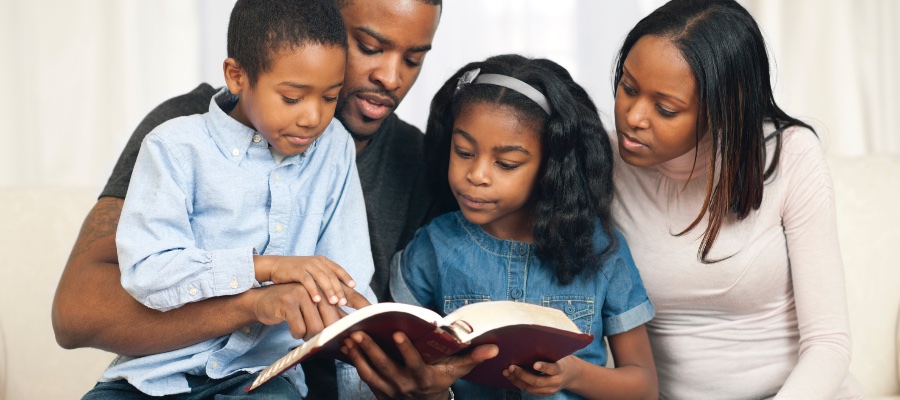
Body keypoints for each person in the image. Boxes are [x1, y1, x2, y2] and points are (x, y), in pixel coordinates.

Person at [51, 0, 463, 398]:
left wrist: (429, 393)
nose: (391, 78)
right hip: (159, 379)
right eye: (369, 47)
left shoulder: (420, 162)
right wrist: (257, 298)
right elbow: (76, 316)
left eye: (414, 59)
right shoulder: (181, 138)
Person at [344, 54, 658, 400]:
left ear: (551, 167)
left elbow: (642, 388)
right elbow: (396, 372)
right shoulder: (432, 248)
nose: (476, 176)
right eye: (463, 152)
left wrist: (573, 374)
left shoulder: (600, 251)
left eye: (506, 164)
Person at [608, 0, 860, 398]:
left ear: (722, 110)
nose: (634, 116)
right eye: (628, 88)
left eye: (666, 108)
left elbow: (828, 344)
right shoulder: (603, 163)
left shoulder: (788, 154)